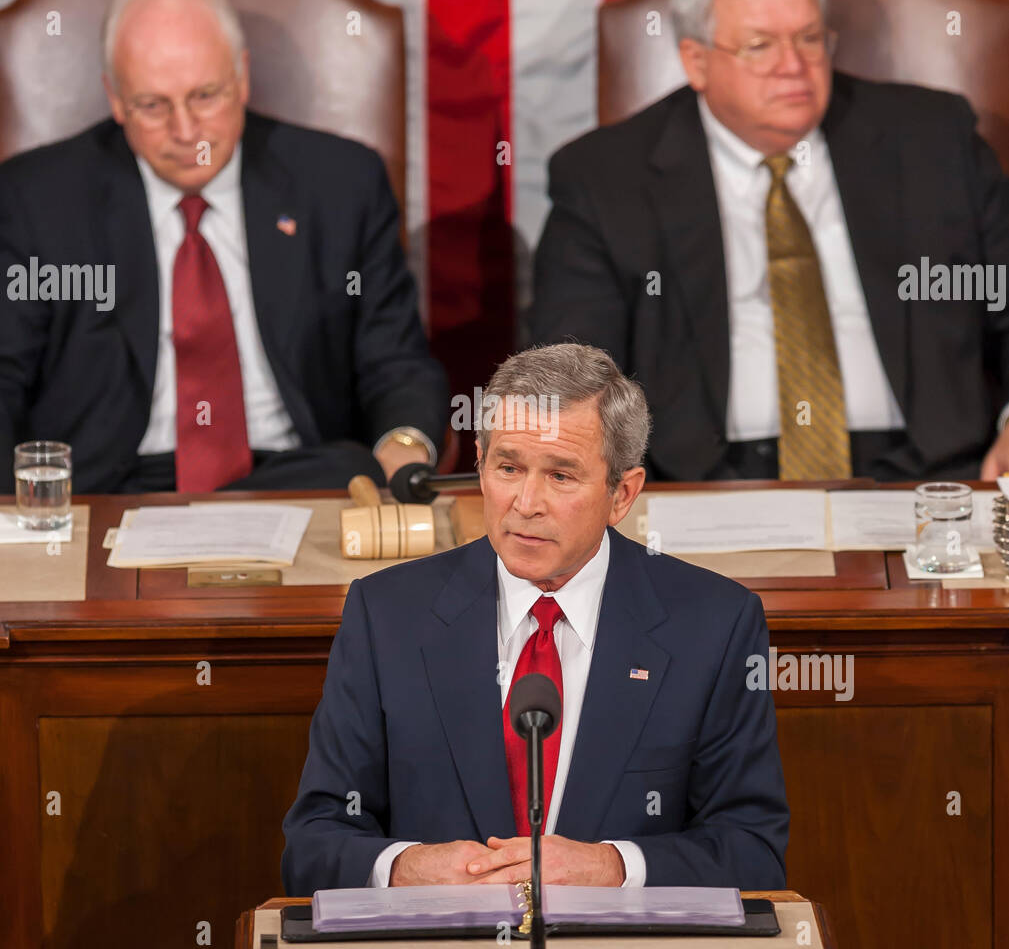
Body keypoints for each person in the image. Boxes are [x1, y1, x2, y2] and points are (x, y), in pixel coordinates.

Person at [282, 343, 788, 891]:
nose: (525, 502)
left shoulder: (714, 625)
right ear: (479, 463)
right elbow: (312, 846)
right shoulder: (386, 616)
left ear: (622, 493)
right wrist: (406, 869)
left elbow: (751, 851)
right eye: (508, 467)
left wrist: (612, 867)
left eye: (561, 476)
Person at [530, 0, 1009, 483]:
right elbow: (573, 369)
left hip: (934, 477)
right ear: (696, 61)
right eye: (760, 45)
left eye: (808, 38)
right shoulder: (605, 178)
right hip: (700, 487)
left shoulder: (933, 141)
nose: (793, 66)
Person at [0, 0, 447, 493]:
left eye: (205, 95)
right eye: (152, 105)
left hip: (297, 476)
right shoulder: (37, 199)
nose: (186, 130)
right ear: (115, 100)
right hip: (110, 487)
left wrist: (406, 444)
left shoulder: (340, 184)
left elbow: (392, 357)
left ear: (243, 77)